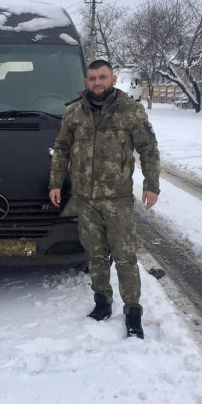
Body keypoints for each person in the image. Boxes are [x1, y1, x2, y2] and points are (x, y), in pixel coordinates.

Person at [49, 60, 160, 339]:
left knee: (124, 256)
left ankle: (133, 312)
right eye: (92, 78)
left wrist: (151, 185)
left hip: (118, 198)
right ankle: (102, 303)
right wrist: (56, 183)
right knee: (96, 254)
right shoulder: (74, 112)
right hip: (85, 198)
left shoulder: (130, 111)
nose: (97, 82)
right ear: (86, 81)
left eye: (102, 77)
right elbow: (61, 149)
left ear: (113, 78)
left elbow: (148, 149)